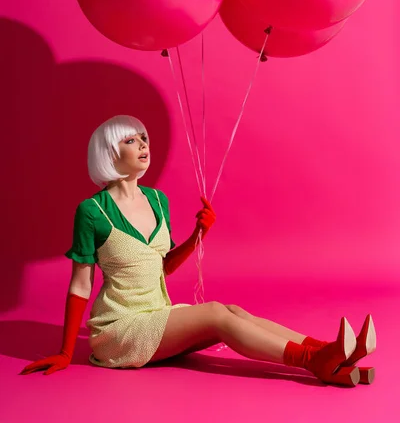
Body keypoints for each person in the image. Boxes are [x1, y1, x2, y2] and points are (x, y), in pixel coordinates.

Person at [20, 115, 376, 386]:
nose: (143, 144)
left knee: (233, 310)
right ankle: (313, 361)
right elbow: (80, 284)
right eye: (131, 140)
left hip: (158, 315)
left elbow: (162, 267)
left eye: (144, 137)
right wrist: (67, 351)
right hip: (121, 330)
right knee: (216, 316)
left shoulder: (158, 201)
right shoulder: (91, 211)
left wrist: (197, 235)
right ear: (110, 152)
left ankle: (332, 354)